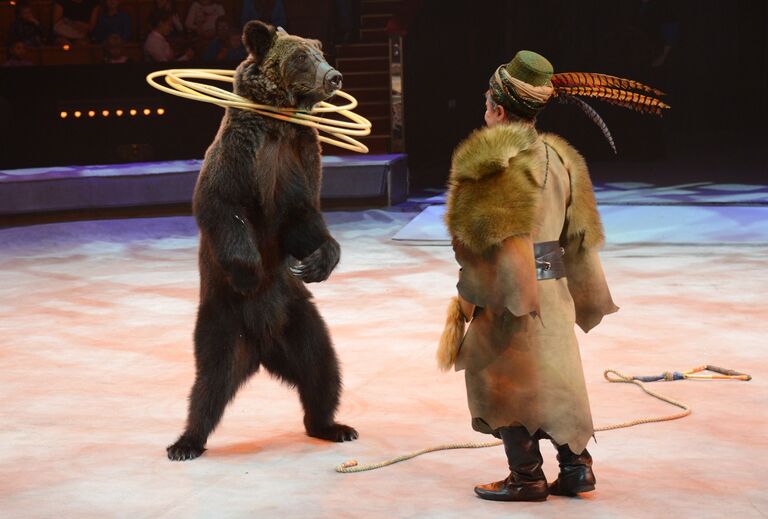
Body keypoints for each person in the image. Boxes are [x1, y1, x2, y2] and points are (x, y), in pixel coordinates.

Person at [437, 50, 668, 502]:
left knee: (503, 376)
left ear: (500, 110)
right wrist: (567, 288)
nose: (484, 112)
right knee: (557, 373)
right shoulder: (559, 159)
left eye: (487, 104)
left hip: (507, 288)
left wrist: (469, 299)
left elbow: (477, 243)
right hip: (552, 280)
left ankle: (526, 476)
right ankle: (576, 468)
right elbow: (576, 237)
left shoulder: (492, 161)